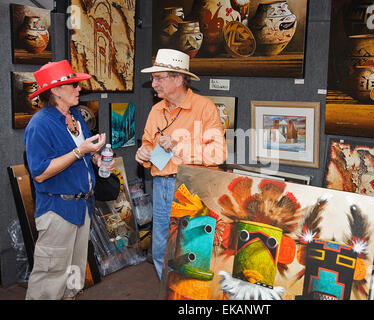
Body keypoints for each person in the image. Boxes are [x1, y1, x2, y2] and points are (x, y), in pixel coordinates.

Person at [24, 60, 114, 300]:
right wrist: (80, 152)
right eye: (72, 85)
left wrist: (97, 159)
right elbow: (40, 172)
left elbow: (85, 150)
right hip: (57, 210)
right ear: (55, 91)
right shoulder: (39, 124)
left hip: (82, 208)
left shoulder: (75, 115)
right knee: (49, 280)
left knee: (74, 276)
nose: (78, 89)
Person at [135, 49, 227, 279]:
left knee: (191, 252)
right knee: (160, 251)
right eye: (153, 78)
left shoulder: (205, 108)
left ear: (178, 79)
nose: (153, 83)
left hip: (193, 188)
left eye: (159, 78)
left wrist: (178, 147)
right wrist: (143, 154)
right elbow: (148, 144)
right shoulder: (157, 110)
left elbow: (218, 154)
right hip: (163, 187)